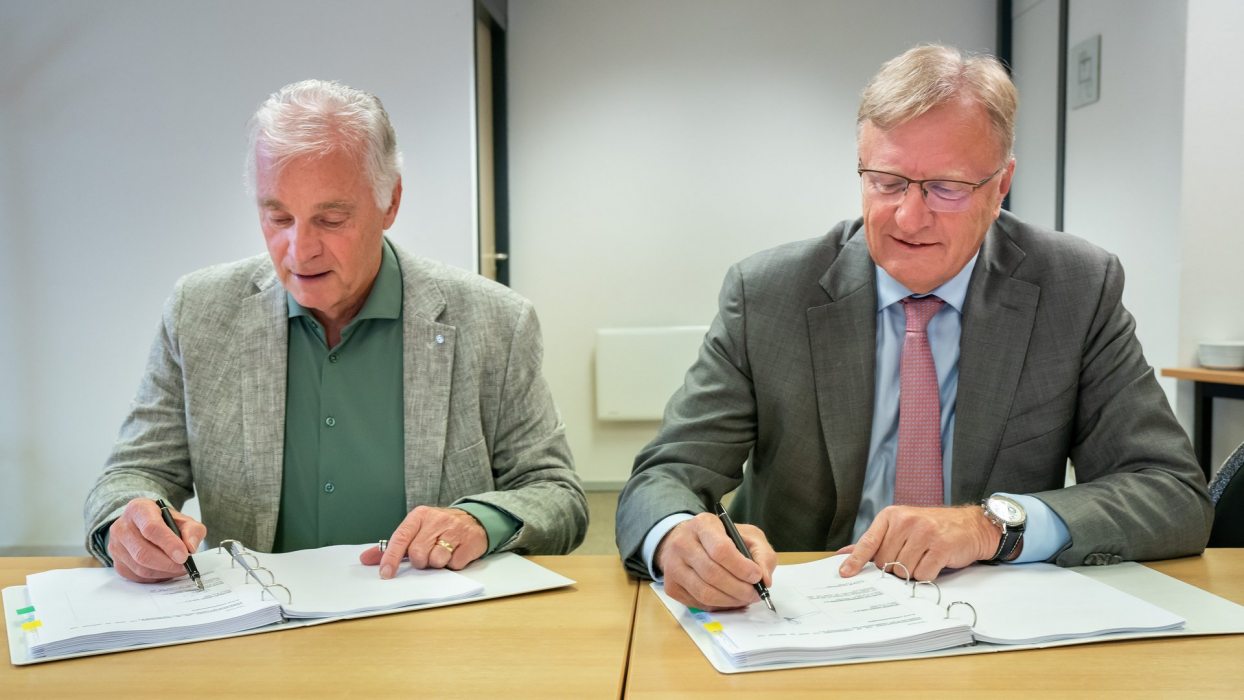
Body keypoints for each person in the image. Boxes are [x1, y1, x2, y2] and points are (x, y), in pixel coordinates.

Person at [615, 45, 1212, 611]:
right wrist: (676, 541)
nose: (909, 217)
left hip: (992, 616)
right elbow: (664, 476)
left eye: (946, 188)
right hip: (801, 617)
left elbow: (1171, 493)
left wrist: (990, 525)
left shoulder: (1074, 288)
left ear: (1001, 185)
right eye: (888, 182)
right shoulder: (769, 293)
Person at [85, 79, 587, 583]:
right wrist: (127, 526)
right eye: (277, 216)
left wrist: (477, 520)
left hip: (430, 634)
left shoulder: (494, 322)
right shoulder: (199, 312)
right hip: (257, 634)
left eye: (330, 218)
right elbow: (133, 474)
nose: (299, 250)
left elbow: (555, 493)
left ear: (390, 202)